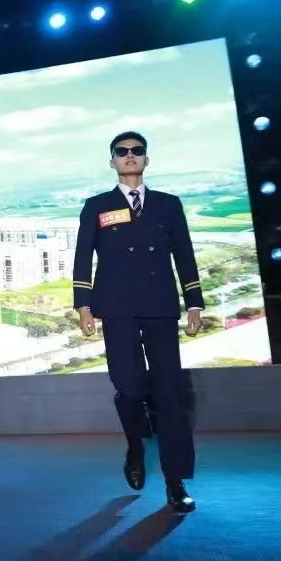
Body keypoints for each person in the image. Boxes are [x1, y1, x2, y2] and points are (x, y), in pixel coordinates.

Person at [73, 131, 203, 512]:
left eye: (137, 151)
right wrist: (83, 305)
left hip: (160, 306)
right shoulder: (97, 206)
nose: (130, 155)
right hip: (117, 308)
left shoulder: (168, 205)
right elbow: (83, 257)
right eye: (122, 151)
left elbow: (185, 254)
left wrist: (194, 303)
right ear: (112, 161)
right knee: (129, 388)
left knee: (171, 395)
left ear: (146, 159)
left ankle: (176, 481)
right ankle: (135, 444)